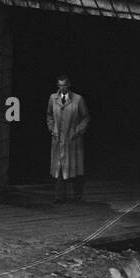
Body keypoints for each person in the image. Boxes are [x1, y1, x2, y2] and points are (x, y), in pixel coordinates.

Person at [46, 74, 89, 203]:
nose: (62, 87)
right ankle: (59, 197)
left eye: (64, 85)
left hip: (72, 140)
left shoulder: (78, 99)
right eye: (60, 85)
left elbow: (86, 117)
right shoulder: (53, 98)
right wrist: (52, 128)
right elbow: (49, 115)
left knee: (75, 168)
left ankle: (77, 196)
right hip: (58, 139)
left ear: (68, 84)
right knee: (59, 168)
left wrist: (77, 131)